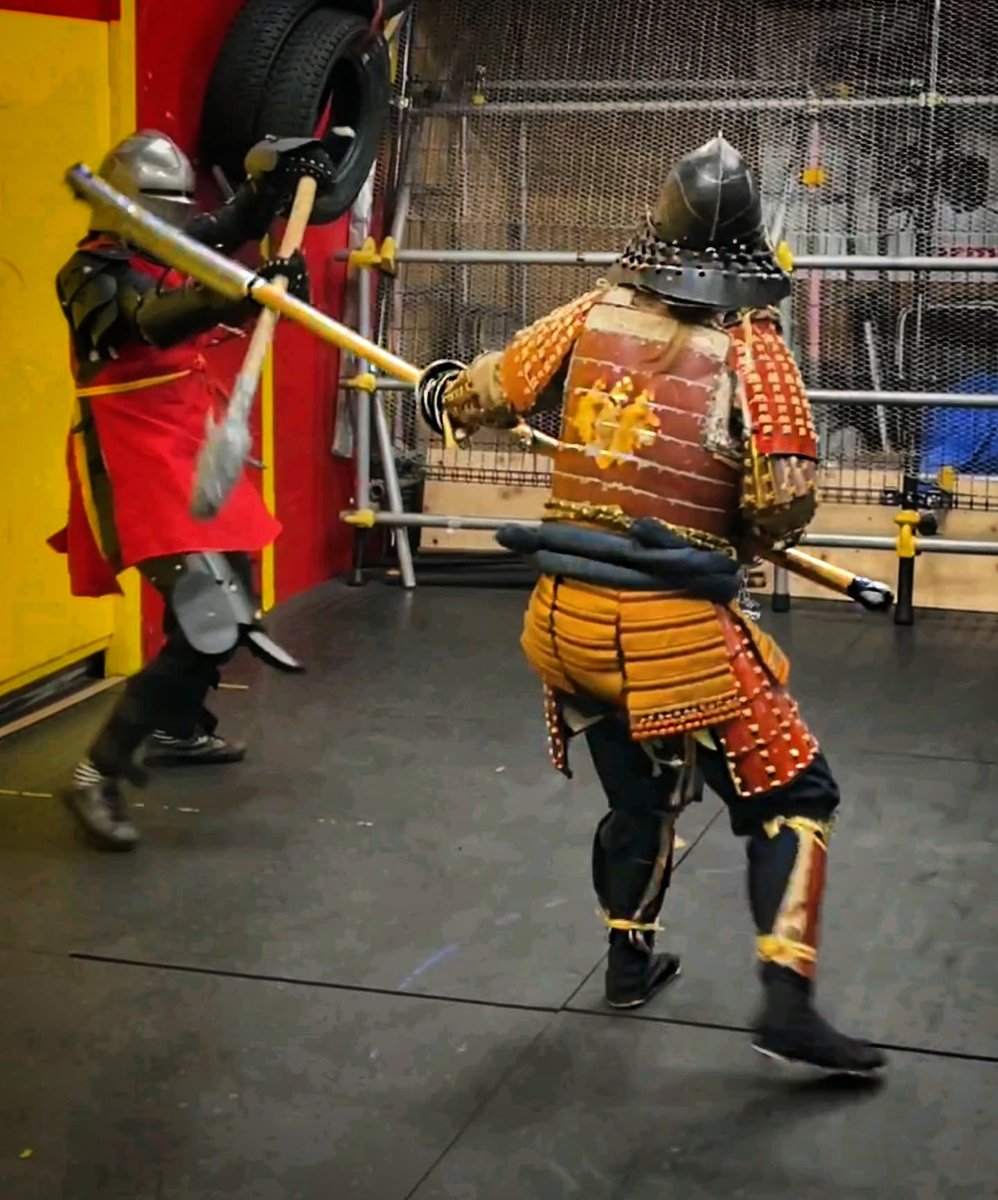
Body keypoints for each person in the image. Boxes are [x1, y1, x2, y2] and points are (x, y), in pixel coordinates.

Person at [417, 136, 886, 1075]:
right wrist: (737, 530)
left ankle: (629, 964)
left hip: (565, 622)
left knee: (642, 794)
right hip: (675, 634)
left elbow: (484, 394)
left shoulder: (591, 312)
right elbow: (786, 498)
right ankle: (788, 1006)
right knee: (797, 795)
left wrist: (439, 391)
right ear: (748, 243)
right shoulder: (751, 347)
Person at [51, 130, 337, 852]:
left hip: (188, 444)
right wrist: (241, 288)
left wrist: (278, 177)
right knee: (210, 615)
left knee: (235, 595)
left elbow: (230, 223)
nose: (176, 222)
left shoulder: (167, 249)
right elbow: (146, 322)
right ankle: (96, 773)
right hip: (132, 460)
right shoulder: (88, 272)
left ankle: (176, 726)